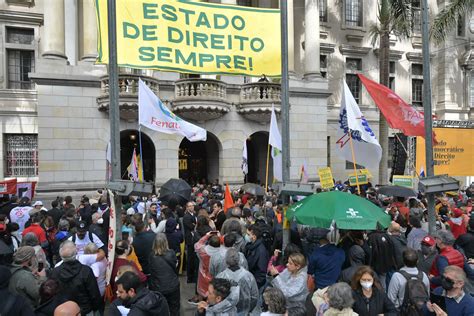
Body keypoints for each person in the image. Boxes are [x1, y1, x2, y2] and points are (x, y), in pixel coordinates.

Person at [49, 240, 101, 315]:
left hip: (67, 311)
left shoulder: (55, 272)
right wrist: (95, 308)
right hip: (82, 310)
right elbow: (94, 294)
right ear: (76, 253)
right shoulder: (86, 271)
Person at [217, 248, 258, 315]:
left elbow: (216, 297)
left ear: (226, 261)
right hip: (244, 312)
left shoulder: (220, 277)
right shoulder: (248, 276)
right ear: (239, 259)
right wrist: (249, 310)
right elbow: (254, 296)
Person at [148, 233, 180, 315]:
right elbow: (175, 266)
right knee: (174, 308)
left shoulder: (151, 256)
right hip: (173, 286)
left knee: (160, 309)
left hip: (158, 287)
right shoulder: (171, 253)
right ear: (166, 242)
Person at [195, 231, 222, 300]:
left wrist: (206, 235)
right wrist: (219, 237)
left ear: (209, 242)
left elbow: (197, 244)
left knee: (202, 293)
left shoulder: (202, 251)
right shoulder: (221, 254)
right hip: (214, 277)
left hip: (203, 275)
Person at [245, 224, 270, 290]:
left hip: (256, 284)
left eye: (248, 234)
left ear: (254, 236)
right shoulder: (250, 246)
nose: (246, 236)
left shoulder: (261, 251)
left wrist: (254, 285)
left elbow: (261, 273)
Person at [183, 201, 197, 283]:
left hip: (193, 238)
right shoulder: (186, 216)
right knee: (190, 257)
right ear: (187, 208)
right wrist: (195, 225)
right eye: (190, 206)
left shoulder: (194, 215)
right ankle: (190, 277)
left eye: (193, 206)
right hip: (190, 239)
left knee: (192, 257)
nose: (192, 207)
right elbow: (192, 226)